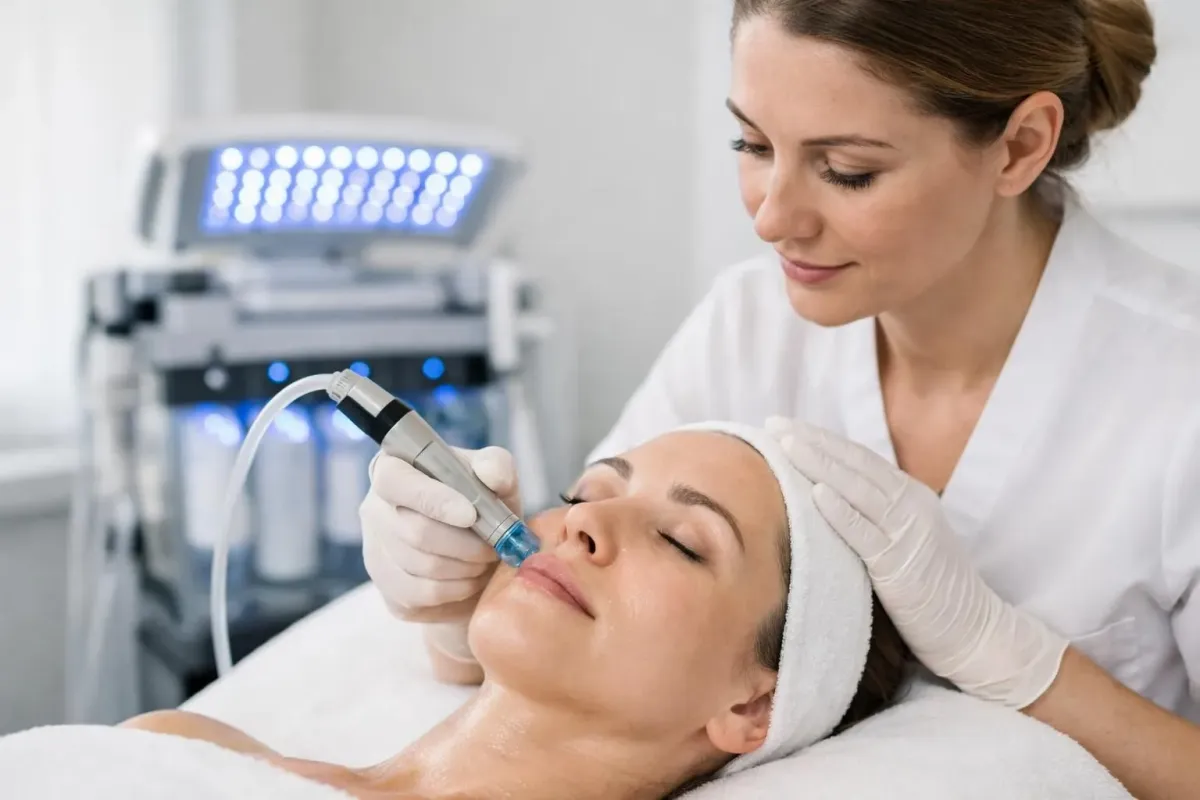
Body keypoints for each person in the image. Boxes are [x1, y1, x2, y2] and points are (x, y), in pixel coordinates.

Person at [358, 1, 1200, 797]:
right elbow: (578, 633)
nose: (772, 218)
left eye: (847, 171)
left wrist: (1021, 663)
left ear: (1019, 146)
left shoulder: (1175, 389)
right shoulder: (747, 325)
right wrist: (448, 592)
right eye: (753, 145)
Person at [125, 426, 910, 800]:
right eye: (582, 493)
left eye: (680, 541)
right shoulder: (175, 751)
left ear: (756, 701)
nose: (578, 524)